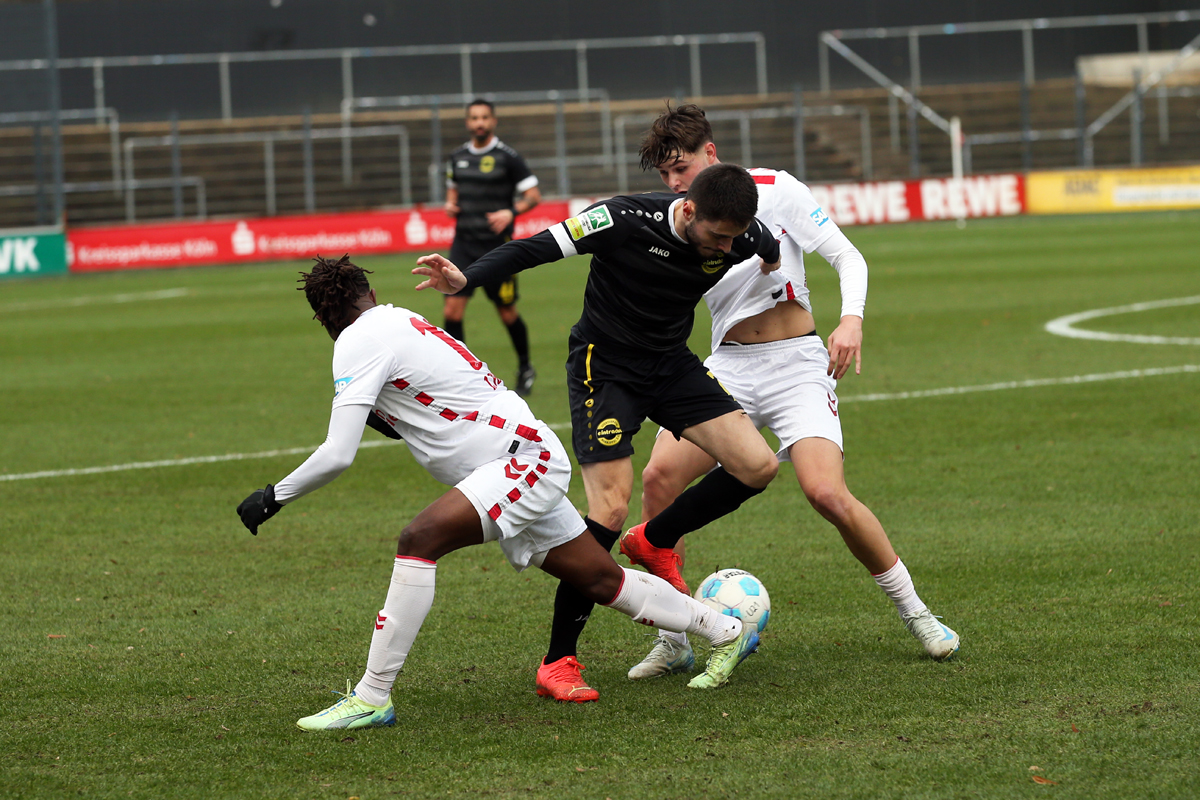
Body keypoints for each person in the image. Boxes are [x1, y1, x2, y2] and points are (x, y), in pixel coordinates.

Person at [234, 255, 761, 731]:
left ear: (325, 318)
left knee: (419, 539)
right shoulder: (399, 321)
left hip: (516, 462)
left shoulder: (356, 340)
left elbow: (337, 453)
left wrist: (273, 495)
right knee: (601, 579)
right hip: (520, 456)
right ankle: (725, 629)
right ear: (367, 294)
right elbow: (425, 409)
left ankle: (372, 697)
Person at [414, 163, 782, 703]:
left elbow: (768, 247)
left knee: (759, 466)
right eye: (717, 237)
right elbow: (534, 247)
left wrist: (773, 264)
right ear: (687, 210)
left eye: (735, 238)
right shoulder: (621, 219)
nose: (727, 248)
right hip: (604, 369)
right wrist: (468, 277)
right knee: (608, 508)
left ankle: (652, 539)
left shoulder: (741, 232)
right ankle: (558, 660)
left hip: (671, 366)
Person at [620, 103, 959, 680]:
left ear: (712, 154)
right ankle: (674, 638)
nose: (676, 184)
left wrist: (851, 320)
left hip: (799, 364)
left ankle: (917, 613)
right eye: (666, 176)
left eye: (681, 168)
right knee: (658, 478)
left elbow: (846, 256)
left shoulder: (776, 190)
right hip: (729, 365)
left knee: (826, 493)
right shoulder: (674, 219)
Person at [443, 99, 542, 396]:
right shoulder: (457, 156)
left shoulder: (508, 157)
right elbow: (453, 189)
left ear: (493, 121)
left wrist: (512, 211)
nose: (479, 123)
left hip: (498, 249)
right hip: (463, 245)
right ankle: (460, 374)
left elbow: (533, 195)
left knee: (507, 312)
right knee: (453, 310)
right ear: (467, 122)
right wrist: (450, 203)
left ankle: (525, 366)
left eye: (484, 117)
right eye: (474, 118)